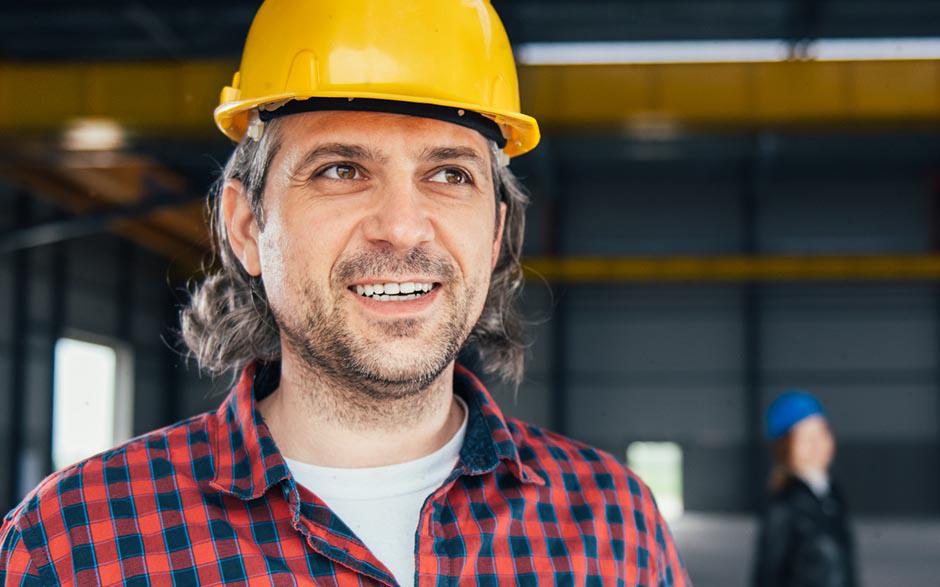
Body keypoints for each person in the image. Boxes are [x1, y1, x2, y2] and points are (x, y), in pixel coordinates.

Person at [0, 1, 691, 584]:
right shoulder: (73, 545)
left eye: (450, 175)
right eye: (340, 169)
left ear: (494, 234)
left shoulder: (615, 528)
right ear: (247, 226)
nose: (402, 226)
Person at [752, 391, 858, 587]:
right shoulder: (783, 504)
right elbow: (768, 576)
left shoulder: (832, 494)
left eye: (821, 433)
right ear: (785, 446)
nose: (817, 445)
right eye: (805, 438)